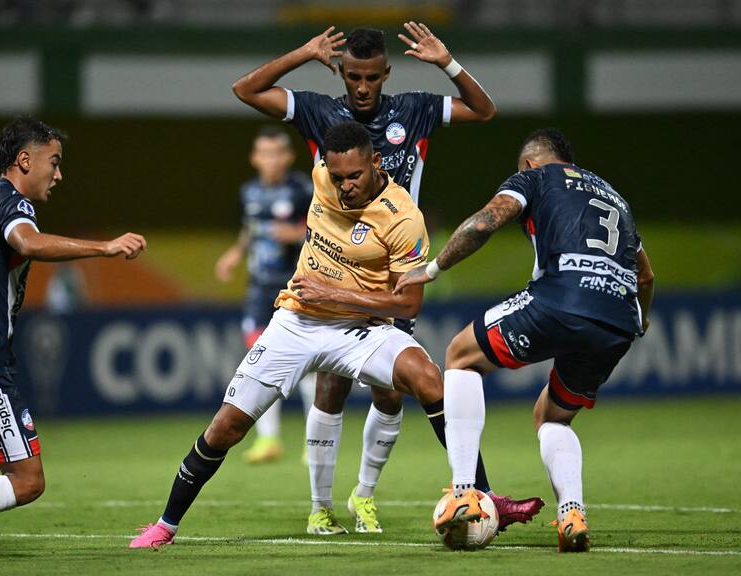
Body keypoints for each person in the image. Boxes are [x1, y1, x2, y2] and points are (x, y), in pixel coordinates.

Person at [233, 23, 541, 534]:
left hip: (395, 271)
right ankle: (319, 507)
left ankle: (366, 496)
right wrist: (304, 53)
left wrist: (447, 63)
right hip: (335, 266)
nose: (361, 87)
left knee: (391, 393)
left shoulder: (415, 109)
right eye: (353, 76)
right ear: (343, 73)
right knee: (330, 387)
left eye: (371, 77)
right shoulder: (318, 110)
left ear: (385, 73)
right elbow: (245, 90)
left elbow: (484, 110)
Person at [131, 121, 447, 547]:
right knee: (226, 427)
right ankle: (165, 526)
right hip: (296, 322)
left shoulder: (404, 217)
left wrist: (332, 291)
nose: (345, 186)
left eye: (354, 176)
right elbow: (263, 98)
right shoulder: (319, 179)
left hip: (358, 328)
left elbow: (408, 305)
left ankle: (475, 490)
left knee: (428, 379)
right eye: (337, 178)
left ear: (375, 162)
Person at [394, 128, 656, 552]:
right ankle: (572, 512)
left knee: (460, 355)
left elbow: (485, 221)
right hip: (617, 320)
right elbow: (645, 275)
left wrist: (432, 269)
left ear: (531, 163)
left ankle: (464, 491)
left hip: (562, 297)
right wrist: (638, 322)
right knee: (551, 417)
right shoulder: (615, 198)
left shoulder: (535, 178)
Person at [0, 116, 147, 524]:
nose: (59, 174)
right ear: (25, 161)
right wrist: (105, 248)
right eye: (54, 162)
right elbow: (28, 242)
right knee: (27, 480)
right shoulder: (13, 204)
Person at [214, 126, 315, 465]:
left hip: (295, 285)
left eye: (278, 153)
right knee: (258, 358)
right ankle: (268, 439)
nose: (271, 160)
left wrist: (298, 233)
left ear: (287, 157)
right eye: (265, 153)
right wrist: (235, 253)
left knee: (306, 365)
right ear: (255, 158)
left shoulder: (303, 189)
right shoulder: (250, 192)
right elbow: (250, 229)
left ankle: (313, 440)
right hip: (259, 287)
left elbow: (326, 227)